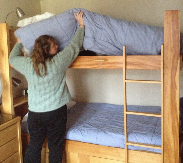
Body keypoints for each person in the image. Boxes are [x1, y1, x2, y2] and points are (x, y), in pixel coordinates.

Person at [9, 11, 85, 163]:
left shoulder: (28, 64)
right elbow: (74, 46)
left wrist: (18, 42)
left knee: (34, 145)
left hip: (35, 114)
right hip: (56, 113)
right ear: (46, 50)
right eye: (54, 45)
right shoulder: (58, 62)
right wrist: (81, 25)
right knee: (55, 147)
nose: (57, 46)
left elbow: (12, 59)